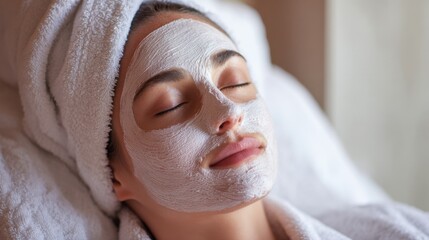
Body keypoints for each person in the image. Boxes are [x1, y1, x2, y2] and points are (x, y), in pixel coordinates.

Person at [106, 2, 429, 240]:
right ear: (113, 173)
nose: (229, 113)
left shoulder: (398, 229)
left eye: (236, 83)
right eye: (170, 106)